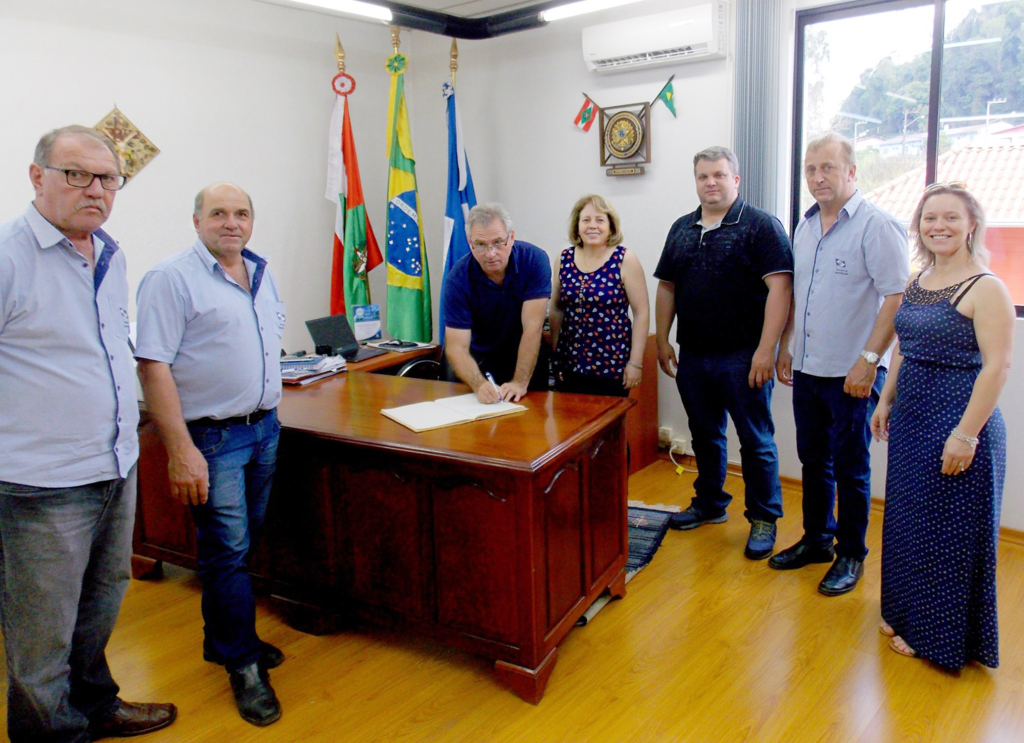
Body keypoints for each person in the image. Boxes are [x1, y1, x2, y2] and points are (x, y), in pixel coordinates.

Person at [0, 125, 177, 742]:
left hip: (113, 465)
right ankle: (51, 733)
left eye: (107, 178)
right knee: (40, 633)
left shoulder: (108, 252)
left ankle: (96, 706)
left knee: (100, 607)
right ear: (37, 176)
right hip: (40, 483)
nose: (95, 189)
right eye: (77, 174)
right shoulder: (9, 256)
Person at [135, 183, 286, 727]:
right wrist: (179, 449)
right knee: (226, 552)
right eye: (218, 213)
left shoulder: (261, 272)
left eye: (242, 213)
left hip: (264, 428)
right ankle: (242, 664)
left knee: (242, 548)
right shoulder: (171, 279)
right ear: (196, 220)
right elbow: (153, 366)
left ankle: (226, 639)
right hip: (213, 439)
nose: (231, 222)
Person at [871, 183, 1013, 668]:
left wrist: (966, 435)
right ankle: (905, 611)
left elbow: (997, 368)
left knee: (947, 533)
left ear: (972, 224)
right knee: (909, 523)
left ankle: (938, 636)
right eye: (930, 218)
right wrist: (886, 397)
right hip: (912, 419)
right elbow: (904, 345)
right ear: (919, 227)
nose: (939, 227)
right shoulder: (919, 279)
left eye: (951, 218)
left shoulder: (987, 287)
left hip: (959, 423)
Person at [773, 131, 909, 596]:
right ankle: (817, 540)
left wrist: (869, 361)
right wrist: (787, 344)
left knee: (851, 466)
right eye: (811, 169)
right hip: (810, 367)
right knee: (813, 460)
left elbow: (897, 294)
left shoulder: (876, 225)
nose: (817, 177)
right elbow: (802, 295)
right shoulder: (805, 227)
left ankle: (852, 554)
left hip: (854, 372)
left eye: (828, 167)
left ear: (852, 172)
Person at [654, 146, 793, 560]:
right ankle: (710, 503)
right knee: (705, 435)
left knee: (756, 440)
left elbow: (781, 288)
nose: (710, 183)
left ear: (736, 179)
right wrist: (662, 339)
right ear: (695, 181)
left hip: (744, 356)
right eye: (703, 177)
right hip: (694, 354)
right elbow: (667, 287)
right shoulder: (681, 227)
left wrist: (767, 350)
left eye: (718, 175)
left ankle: (764, 518)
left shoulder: (761, 226)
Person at [442, 202, 552, 403]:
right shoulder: (457, 279)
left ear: (511, 238)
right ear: (470, 242)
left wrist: (519, 382)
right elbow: (456, 346)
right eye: (481, 244)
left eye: (498, 242)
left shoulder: (534, 261)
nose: (490, 253)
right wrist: (479, 384)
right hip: (479, 362)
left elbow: (532, 329)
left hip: (525, 359)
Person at [550, 194, 649, 397]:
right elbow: (557, 308)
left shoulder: (624, 259)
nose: (592, 226)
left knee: (608, 426)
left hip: (611, 366)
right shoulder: (564, 258)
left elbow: (642, 313)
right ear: (577, 226)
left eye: (600, 220)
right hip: (569, 364)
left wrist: (635, 363)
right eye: (586, 220)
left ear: (611, 226)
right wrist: (555, 354)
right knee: (570, 426)